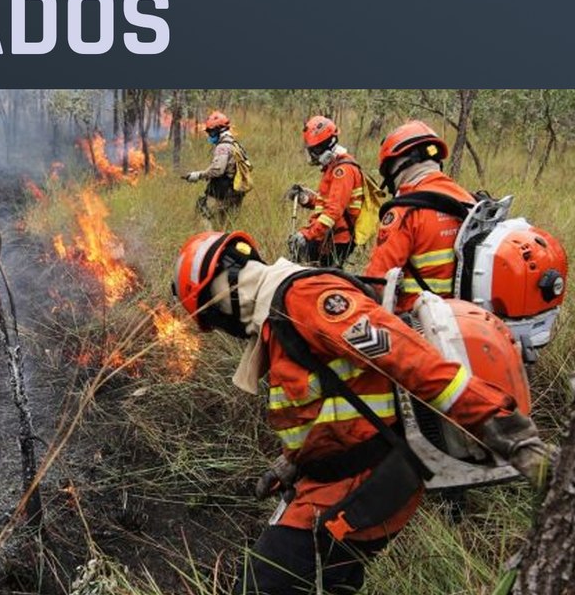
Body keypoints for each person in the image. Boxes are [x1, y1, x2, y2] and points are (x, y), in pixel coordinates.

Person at [171, 231, 551, 594]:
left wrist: (510, 433)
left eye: (214, 317)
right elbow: (332, 405)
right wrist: (290, 463)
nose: (223, 328)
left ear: (224, 291)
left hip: (363, 486)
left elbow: (414, 362)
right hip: (336, 480)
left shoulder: (308, 298)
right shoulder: (277, 315)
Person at [364, 121, 474, 312]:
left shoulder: (404, 212)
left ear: (398, 166)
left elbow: (377, 283)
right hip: (467, 316)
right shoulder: (468, 200)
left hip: (418, 321)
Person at [284, 116, 365, 267]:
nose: (312, 155)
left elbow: (333, 211)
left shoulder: (342, 170)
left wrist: (308, 235)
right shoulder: (334, 167)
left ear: (322, 148)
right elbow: (328, 202)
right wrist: (305, 199)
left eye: (313, 150)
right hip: (328, 236)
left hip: (337, 240)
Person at [183, 111, 249, 229]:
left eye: (211, 131)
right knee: (226, 228)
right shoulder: (235, 144)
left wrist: (197, 175)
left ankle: (209, 242)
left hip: (222, 193)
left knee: (203, 213)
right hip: (236, 193)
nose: (209, 135)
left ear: (219, 130)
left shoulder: (223, 146)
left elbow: (217, 170)